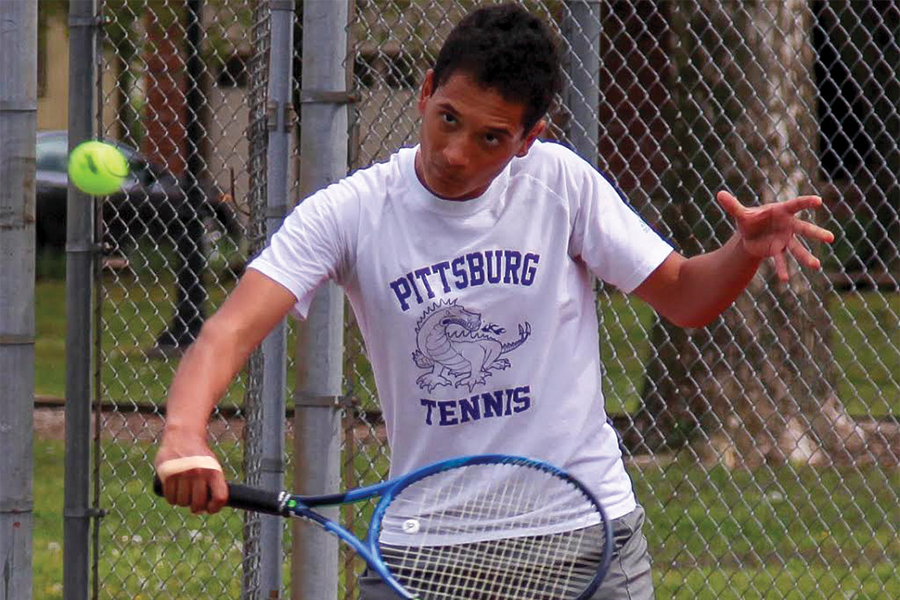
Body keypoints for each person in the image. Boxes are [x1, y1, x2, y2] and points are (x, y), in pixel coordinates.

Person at [154, 4, 834, 599]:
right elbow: (228, 333)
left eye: (490, 138)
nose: (455, 152)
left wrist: (742, 252)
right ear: (425, 93)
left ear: (529, 138)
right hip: (423, 550)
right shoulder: (350, 212)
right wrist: (184, 435)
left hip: (583, 537)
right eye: (447, 118)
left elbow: (685, 296)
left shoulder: (561, 185)